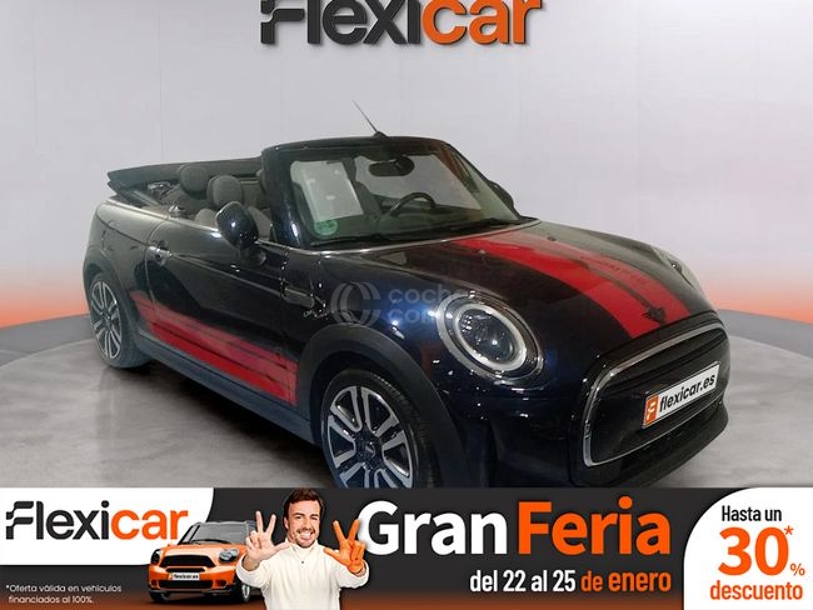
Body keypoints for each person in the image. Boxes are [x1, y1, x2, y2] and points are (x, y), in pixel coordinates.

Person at [236, 488, 368, 610]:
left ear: (319, 522)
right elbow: (249, 577)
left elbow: (354, 581)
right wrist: (252, 560)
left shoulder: (333, 558)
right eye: (299, 517)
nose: (307, 525)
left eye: (313, 518)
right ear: (286, 522)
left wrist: (357, 570)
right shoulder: (270, 560)